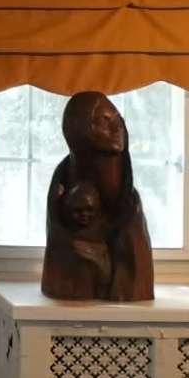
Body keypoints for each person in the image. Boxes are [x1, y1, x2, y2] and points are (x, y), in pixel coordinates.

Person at [38, 92, 155, 303]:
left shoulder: (129, 208)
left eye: (118, 118)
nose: (117, 127)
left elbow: (135, 285)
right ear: (79, 130)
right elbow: (61, 271)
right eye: (104, 120)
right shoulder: (61, 194)